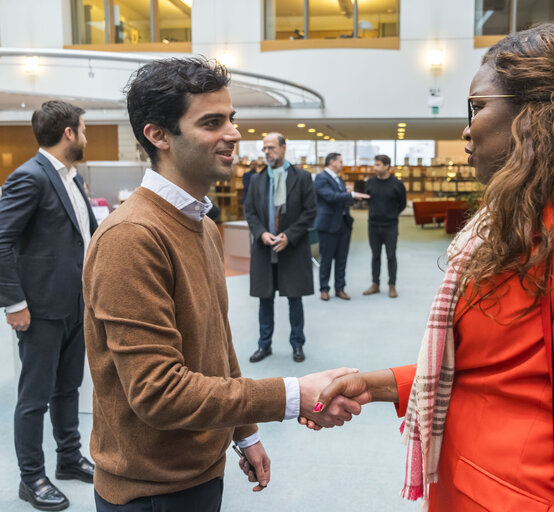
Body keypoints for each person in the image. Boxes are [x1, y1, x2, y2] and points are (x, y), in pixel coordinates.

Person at [304, 24, 554, 511]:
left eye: (477, 106)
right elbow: (498, 369)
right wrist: (378, 385)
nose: (466, 128)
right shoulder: (526, 220)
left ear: (539, 115)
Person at [82, 57, 360, 511]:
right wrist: (292, 395)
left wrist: (245, 433)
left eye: (231, 119)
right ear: (158, 135)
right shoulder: (131, 237)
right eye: (212, 122)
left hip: (197, 470)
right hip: (150, 489)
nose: (233, 133)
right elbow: (158, 392)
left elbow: (216, 345)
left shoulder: (202, 224)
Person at [0, 100, 97, 511]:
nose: (87, 136)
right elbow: (1, 241)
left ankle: (69, 459)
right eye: (84, 129)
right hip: (38, 310)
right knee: (34, 398)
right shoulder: (30, 177)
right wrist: (14, 304)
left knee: (68, 389)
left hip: (75, 304)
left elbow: (80, 236)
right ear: (69, 134)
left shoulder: (71, 178)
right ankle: (31, 477)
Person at [244, 133, 316, 364]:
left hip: (292, 249)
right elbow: (250, 211)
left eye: (271, 148)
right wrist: (261, 233)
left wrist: (290, 236)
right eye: (264, 149)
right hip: (265, 250)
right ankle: (264, 345)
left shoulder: (302, 177)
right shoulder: (257, 180)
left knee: (295, 299)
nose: (267, 152)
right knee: (265, 300)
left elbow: (310, 212)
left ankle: (297, 345)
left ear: (284, 148)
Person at [313, 152, 369, 301]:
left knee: (342, 259)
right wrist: (351, 195)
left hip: (344, 224)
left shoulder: (339, 180)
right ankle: (324, 289)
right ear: (332, 162)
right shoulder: (321, 178)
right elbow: (330, 197)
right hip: (328, 225)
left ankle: (340, 288)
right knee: (326, 259)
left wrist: (351, 199)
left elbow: (342, 199)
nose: (342, 164)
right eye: (340, 161)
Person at [362, 154, 406, 298]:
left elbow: (402, 204)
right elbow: (367, 200)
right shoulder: (369, 183)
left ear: (387, 166)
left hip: (390, 225)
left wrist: (391, 214)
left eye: (378, 164)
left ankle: (392, 285)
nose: (375, 167)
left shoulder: (397, 184)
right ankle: (375, 284)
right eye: (375, 164)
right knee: (375, 255)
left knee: (391, 255)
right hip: (373, 225)